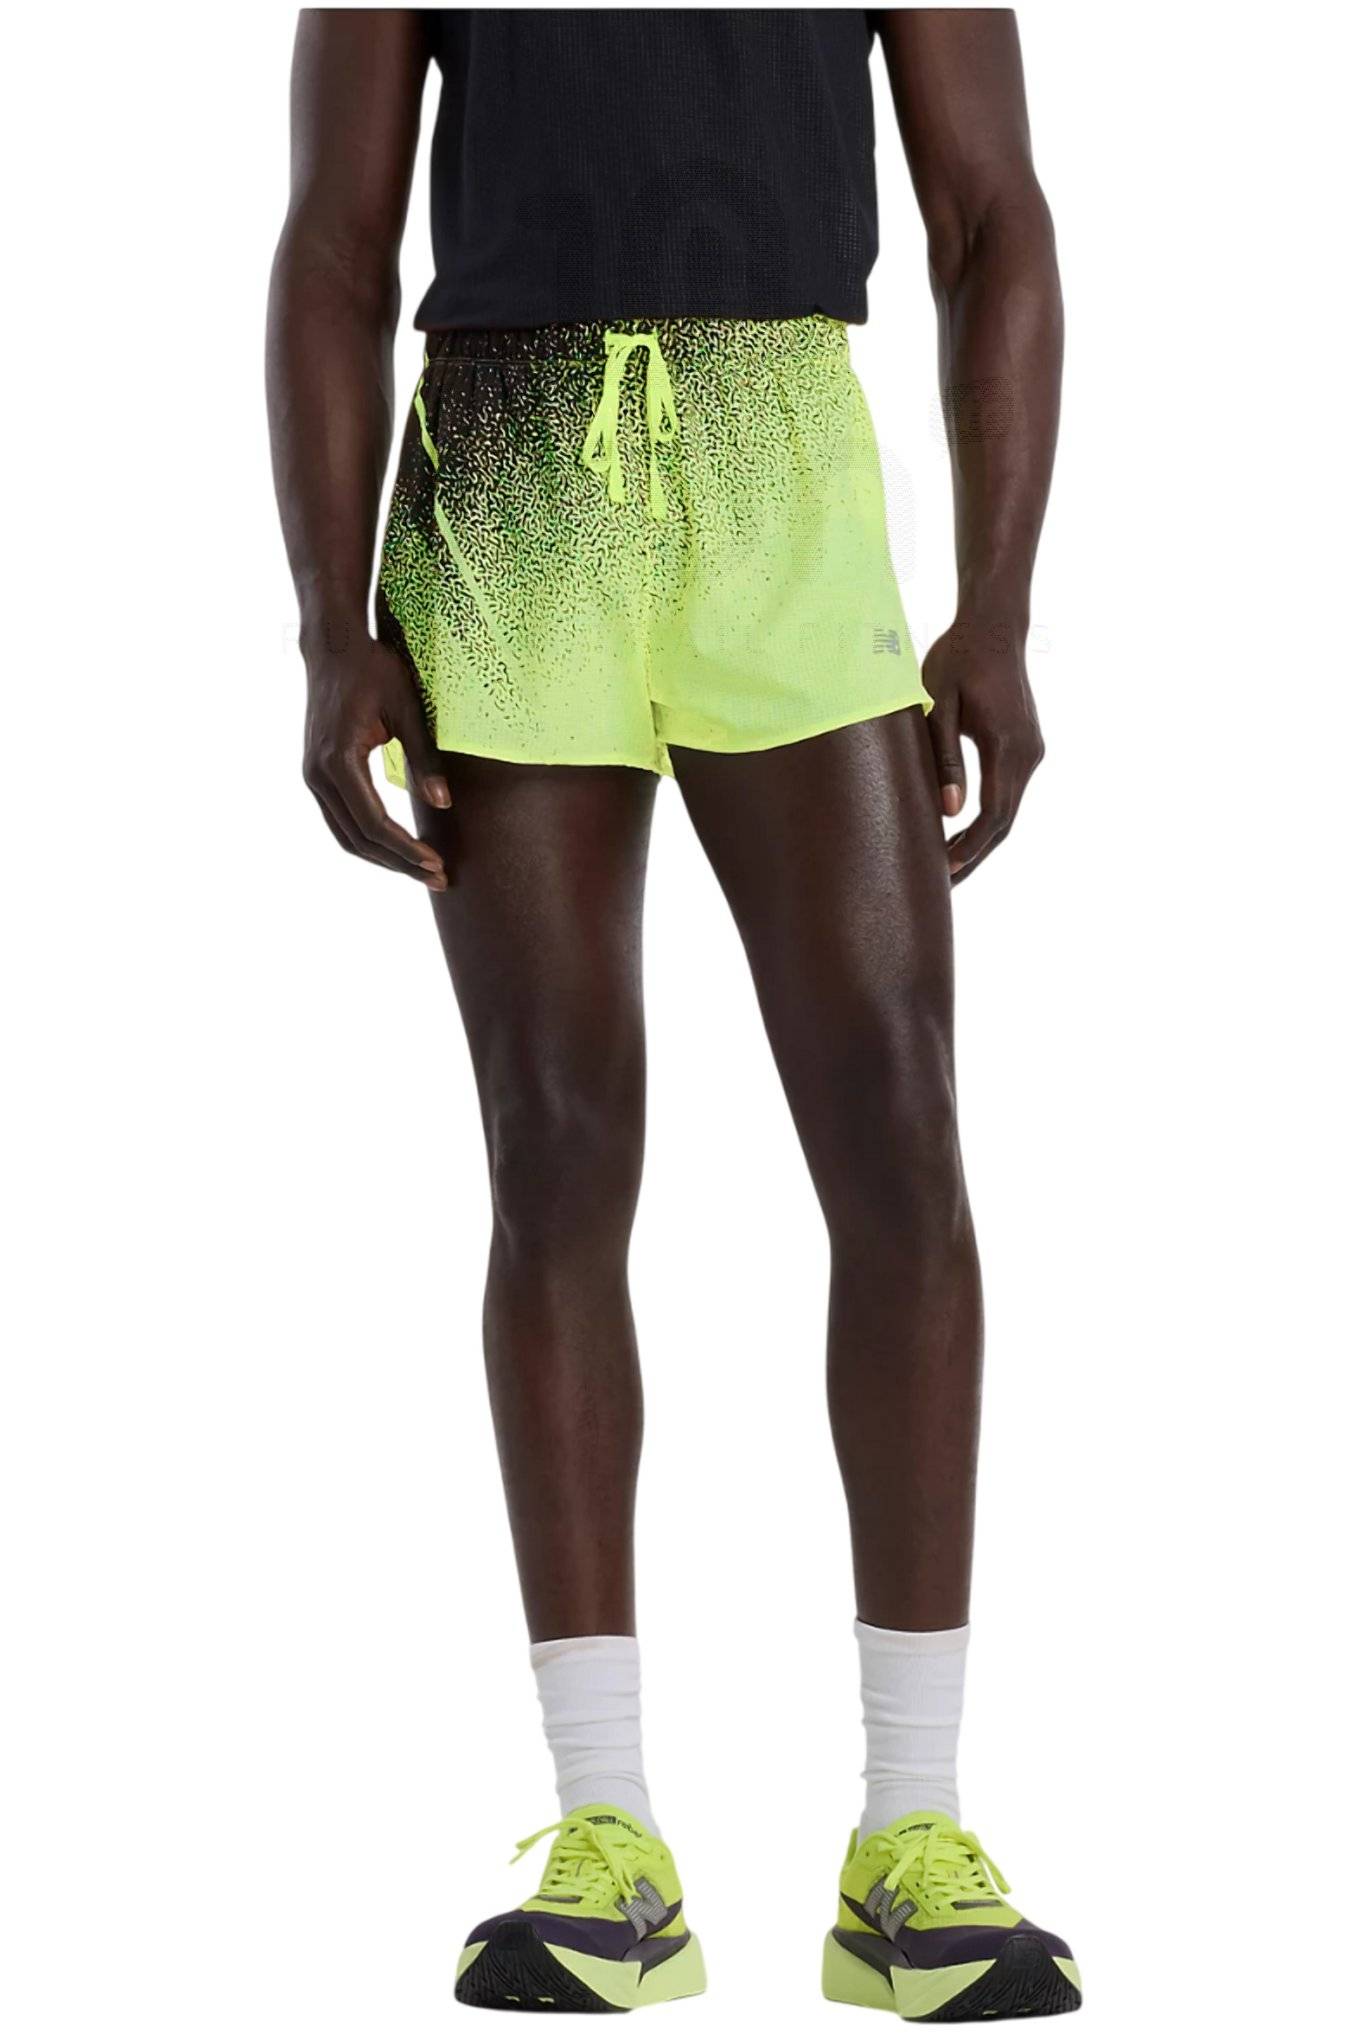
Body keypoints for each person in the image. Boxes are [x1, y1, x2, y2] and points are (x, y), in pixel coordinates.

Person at [267, 8, 1073, 2019]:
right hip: (508, 481)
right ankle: (606, 1835)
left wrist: (999, 607)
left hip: (781, 460)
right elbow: (335, 242)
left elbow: (992, 216)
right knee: (555, 1151)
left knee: (895, 1132)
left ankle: (911, 1839)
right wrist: (325, 630)